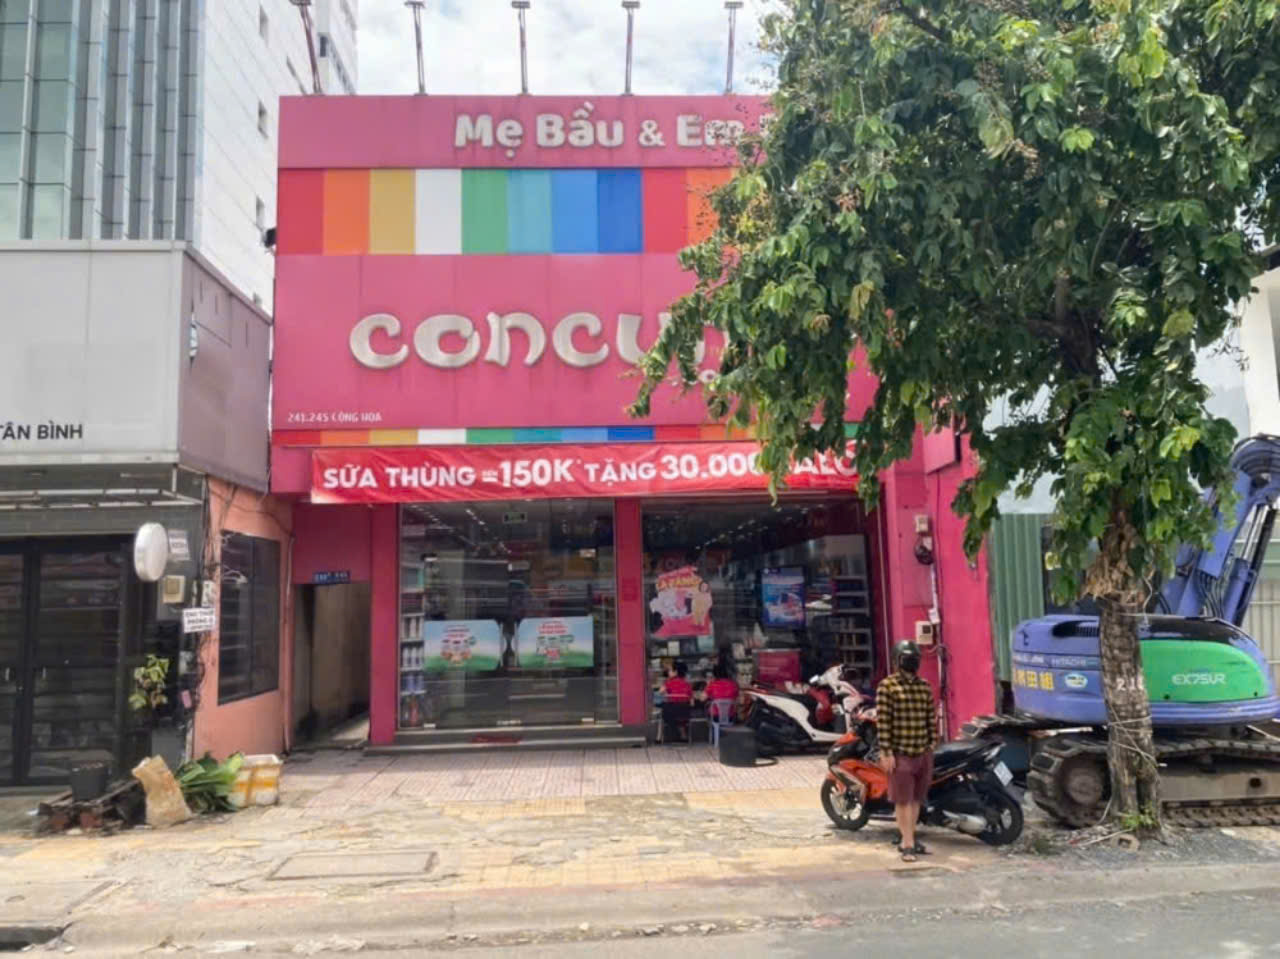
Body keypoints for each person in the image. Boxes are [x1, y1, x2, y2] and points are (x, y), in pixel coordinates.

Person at [875, 640, 937, 862]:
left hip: (922, 751)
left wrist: (932, 744)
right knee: (902, 800)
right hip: (900, 753)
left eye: (914, 657)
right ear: (896, 660)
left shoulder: (924, 686)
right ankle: (908, 844)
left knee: (916, 799)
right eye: (906, 657)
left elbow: (931, 717)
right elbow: (883, 722)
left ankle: (909, 837)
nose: (911, 661)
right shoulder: (887, 686)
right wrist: (886, 752)